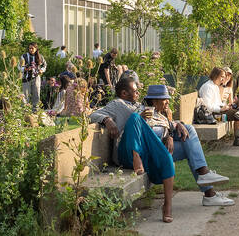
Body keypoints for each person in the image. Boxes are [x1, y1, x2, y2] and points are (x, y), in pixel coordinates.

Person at [90, 79, 228, 222]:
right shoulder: (117, 104)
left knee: (189, 131)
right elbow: (92, 114)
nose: (138, 92)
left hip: (152, 150)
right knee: (136, 118)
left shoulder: (142, 106)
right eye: (135, 90)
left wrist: (172, 130)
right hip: (130, 151)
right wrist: (107, 120)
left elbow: (163, 123)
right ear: (124, 93)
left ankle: (208, 190)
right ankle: (137, 155)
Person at [143, 84, 234, 207]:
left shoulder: (160, 114)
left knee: (190, 144)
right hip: (152, 154)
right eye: (165, 99)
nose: (168, 102)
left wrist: (177, 124)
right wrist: (168, 135)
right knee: (190, 139)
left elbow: (167, 126)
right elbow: (152, 134)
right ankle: (207, 185)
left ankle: (208, 189)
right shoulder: (145, 113)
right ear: (154, 101)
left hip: (163, 150)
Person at [20, 42, 47, 111]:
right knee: (25, 96)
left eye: (32, 48)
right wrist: (25, 69)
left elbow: (44, 65)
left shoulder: (40, 56)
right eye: (29, 48)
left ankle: (35, 111)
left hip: (36, 77)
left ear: (36, 48)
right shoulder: (24, 56)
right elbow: (19, 66)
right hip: (26, 78)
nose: (31, 50)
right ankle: (25, 111)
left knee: (36, 95)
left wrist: (41, 70)